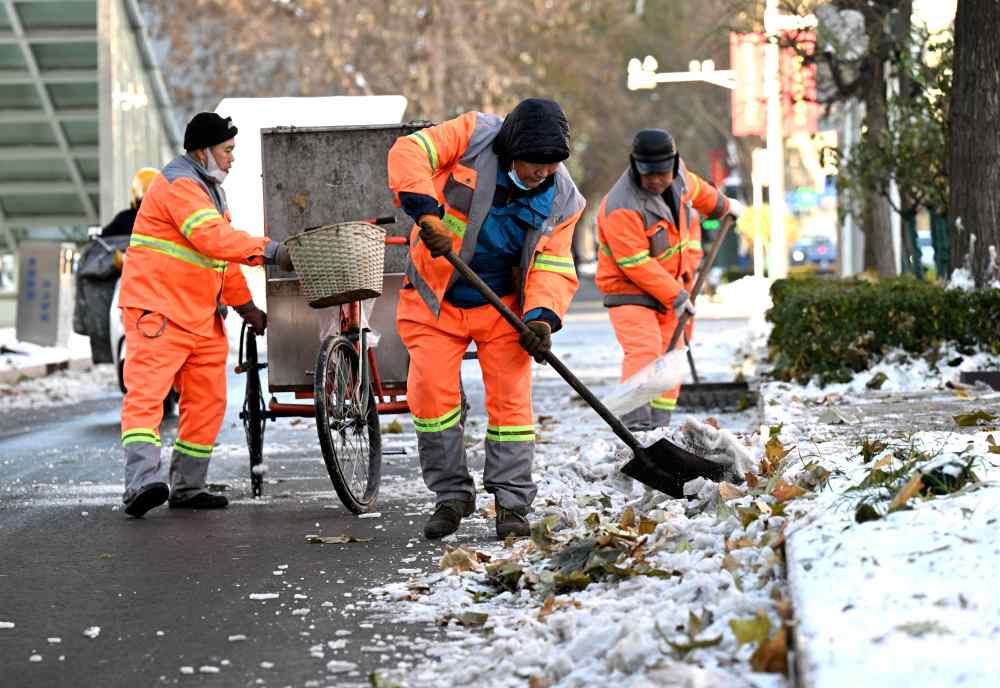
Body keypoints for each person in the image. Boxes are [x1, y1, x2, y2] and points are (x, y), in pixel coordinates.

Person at [387, 98, 585, 540]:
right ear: (512, 148)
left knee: (512, 406)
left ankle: (512, 505)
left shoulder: (564, 199)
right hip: (435, 299)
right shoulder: (473, 136)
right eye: (534, 165)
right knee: (431, 397)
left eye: (549, 167)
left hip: (503, 307)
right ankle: (451, 497)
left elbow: (553, 264)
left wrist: (541, 318)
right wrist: (426, 212)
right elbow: (408, 152)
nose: (541, 174)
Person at [118, 112, 293, 517]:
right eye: (227, 150)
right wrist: (269, 251)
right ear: (203, 151)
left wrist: (246, 307)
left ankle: (188, 487)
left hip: (198, 317)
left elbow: (221, 259)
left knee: (208, 403)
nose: (232, 158)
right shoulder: (180, 185)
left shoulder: (209, 190)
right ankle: (141, 484)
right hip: (159, 311)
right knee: (147, 399)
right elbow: (213, 238)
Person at [596, 128, 743, 431]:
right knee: (646, 352)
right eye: (649, 175)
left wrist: (724, 207)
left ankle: (659, 428)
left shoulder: (681, 178)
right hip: (630, 291)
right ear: (635, 165)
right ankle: (636, 427)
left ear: (674, 165)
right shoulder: (620, 206)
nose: (656, 181)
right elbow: (635, 264)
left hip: (673, 286)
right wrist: (677, 298)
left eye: (663, 174)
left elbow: (702, 193)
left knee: (670, 360)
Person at [73, 168, 159, 363]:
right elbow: (99, 248)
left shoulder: (172, 219)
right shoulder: (124, 220)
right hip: (130, 291)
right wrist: (114, 259)